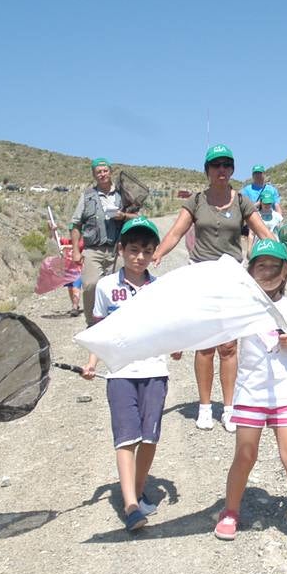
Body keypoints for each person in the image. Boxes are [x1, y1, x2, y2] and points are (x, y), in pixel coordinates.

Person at [151, 145, 275, 432]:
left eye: (226, 165)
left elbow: (263, 232)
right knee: (205, 345)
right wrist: (159, 252)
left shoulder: (242, 201)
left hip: (231, 277)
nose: (221, 170)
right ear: (207, 171)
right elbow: (175, 233)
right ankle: (205, 407)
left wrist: (281, 255)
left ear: (232, 169)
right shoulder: (196, 202)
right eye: (215, 165)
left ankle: (229, 408)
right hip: (201, 276)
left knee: (229, 345)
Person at [213, 239, 287, 554]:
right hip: (250, 394)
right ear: (250, 271)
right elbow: (227, 347)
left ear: (285, 272)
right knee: (245, 455)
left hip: (285, 395)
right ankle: (230, 511)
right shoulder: (240, 307)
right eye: (260, 266)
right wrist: (224, 343)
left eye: (274, 267)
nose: (267, 272)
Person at [81, 218, 180, 532]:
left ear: (154, 254)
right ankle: (131, 505)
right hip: (120, 373)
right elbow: (100, 329)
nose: (139, 257)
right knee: (126, 437)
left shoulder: (160, 288)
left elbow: (170, 326)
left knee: (149, 436)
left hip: (155, 371)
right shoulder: (106, 287)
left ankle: (138, 488)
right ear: (121, 250)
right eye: (133, 250)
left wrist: (177, 346)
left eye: (147, 251)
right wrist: (92, 362)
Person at [70, 158, 142, 326]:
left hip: (118, 249)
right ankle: (93, 324)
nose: (102, 174)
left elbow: (138, 217)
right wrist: (75, 250)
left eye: (105, 171)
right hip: (93, 250)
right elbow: (75, 224)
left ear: (110, 172)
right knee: (90, 285)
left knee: (122, 286)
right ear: (94, 175)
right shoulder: (87, 196)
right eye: (98, 172)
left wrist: (123, 216)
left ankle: (119, 323)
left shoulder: (122, 195)